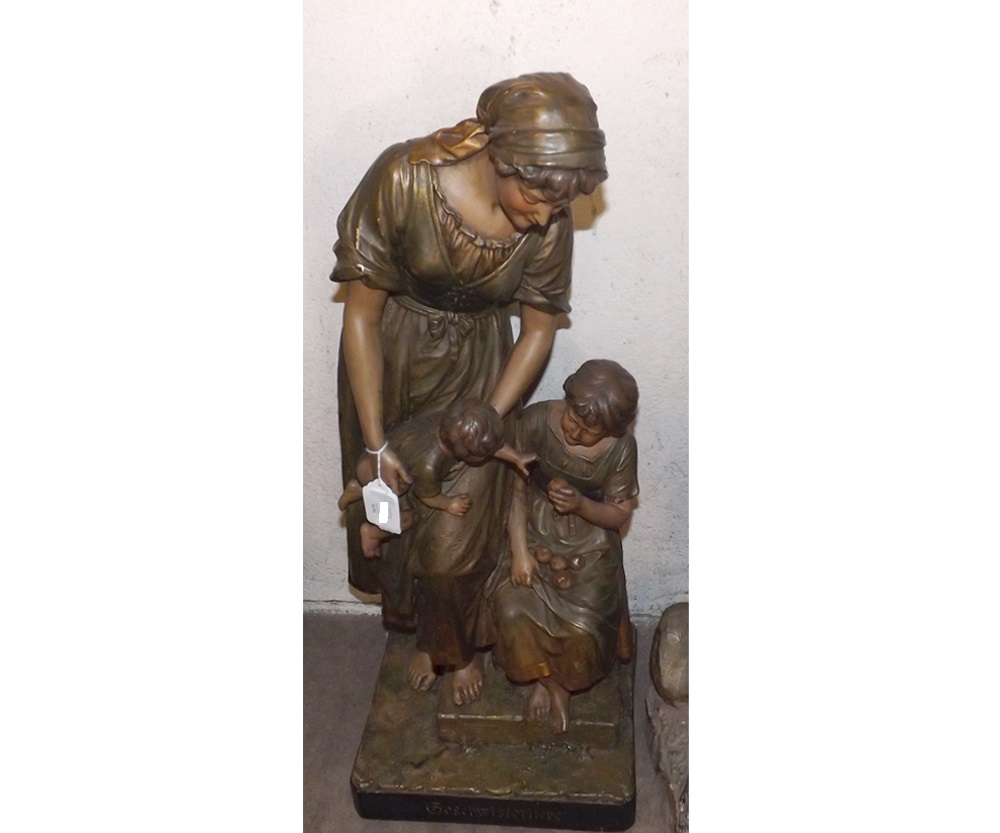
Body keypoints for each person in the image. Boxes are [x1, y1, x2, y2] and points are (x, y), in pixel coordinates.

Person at [331, 73, 607, 705]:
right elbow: (362, 315)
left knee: (457, 545)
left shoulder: (548, 219)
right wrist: (375, 443)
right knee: (389, 516)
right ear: (498, 156)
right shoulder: (404, 179)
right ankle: (424, 633)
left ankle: (462, 646)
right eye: (535, 192)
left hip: (482, 379)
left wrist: (488, 413)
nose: (545, 214)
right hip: (391, 366)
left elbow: (538, 328)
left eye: (560, 203)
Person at [487, 359, 639, 733]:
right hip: (533, 526)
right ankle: (545, 681)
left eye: (589, 431)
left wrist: (582, 505)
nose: (574, 433)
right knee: (511, 606)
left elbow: (618, 516)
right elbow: (514, 491)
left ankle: (564, 687)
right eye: (573, 419)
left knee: (585, 627)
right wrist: (520, 551)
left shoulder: (620, 450)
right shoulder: (537, 421)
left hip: (590, 540)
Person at [337, 399, 536, 563]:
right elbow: (428, 496)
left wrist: (516, 457)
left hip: (375, 459)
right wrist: (449, 503)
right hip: (384, 482)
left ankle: (358, 487)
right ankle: (373, 532)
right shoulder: (429, 466)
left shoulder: (445, 420)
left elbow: (490, 445)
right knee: (407, 519)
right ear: (463, 454)